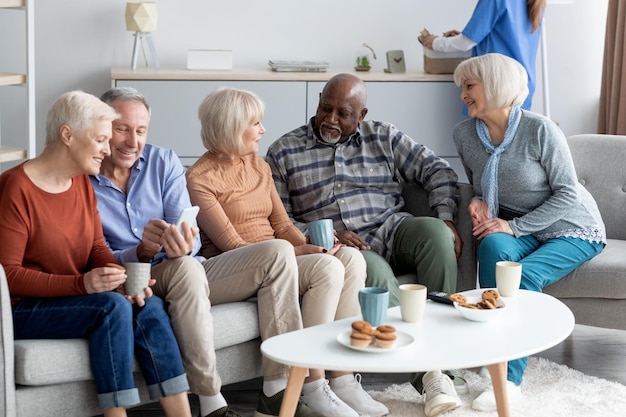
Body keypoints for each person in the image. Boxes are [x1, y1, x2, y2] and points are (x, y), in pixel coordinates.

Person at [90, 87, 315, 417]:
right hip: (132, 275)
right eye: (122, 129)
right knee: (186, 268)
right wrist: (140, 250)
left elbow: (189, 232)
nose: (132, 141)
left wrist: (182, 241)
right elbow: (92, 253)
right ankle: (212, 402)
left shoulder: (163, 161)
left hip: (182, 267)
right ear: (101, 126)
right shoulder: (85, 179)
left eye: (140, 131)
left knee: (276, 252)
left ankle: (278, 389)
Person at [265, 73, 465, 417]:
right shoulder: (284, 151)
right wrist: (323, 234)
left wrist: (446, 217)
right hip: (343, 248)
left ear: (362, 115)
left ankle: (437, 363)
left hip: (391, 228)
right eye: (325, 108)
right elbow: (277, 218)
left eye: (343, 114)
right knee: (373, 270)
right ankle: (427, 372)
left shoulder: (384, 136)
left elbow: (437, 169)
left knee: (435, 235)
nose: (330, 119)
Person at [185, 87, 389, 417]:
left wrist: (317, 247)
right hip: (232, 267)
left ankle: (342, 378)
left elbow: (282, 226)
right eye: (256, 123)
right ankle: (311, 382)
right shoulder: (198, 179)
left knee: (348, 258)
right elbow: (233, 246)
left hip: (276, 257)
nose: (263, 129)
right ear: (232, 126)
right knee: (324, 268)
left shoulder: (258, 166)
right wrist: (299, 252)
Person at [0, 90, 191, 417]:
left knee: (146, 304)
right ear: (68, 136)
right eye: (101, 139)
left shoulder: (80, 183)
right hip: (21, 308)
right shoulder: (16, 187)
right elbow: (9, 276)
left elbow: (96, 248)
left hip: (72, 297)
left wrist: (124, 281)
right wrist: (84, 285)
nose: (107, 149)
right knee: (111, 307)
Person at [452, 53, 605, 411]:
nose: (462, 94)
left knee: (519, 278)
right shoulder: (464, 135)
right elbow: (480, 183)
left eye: (469, 86)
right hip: (520, 227)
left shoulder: (540, 130)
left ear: (495, 86)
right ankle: (492, 352)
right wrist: (477, 199)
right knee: (491, 247)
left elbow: (568, 193)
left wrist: (514, 225)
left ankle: (508, 379)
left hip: (570, 226)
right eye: (462, 87)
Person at [419, 0, 546, 110]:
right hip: (520, 86)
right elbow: (509, 39)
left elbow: (466, 42)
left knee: (487, 137)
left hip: (493, 86)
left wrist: (435, 42)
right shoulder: (536, 3)